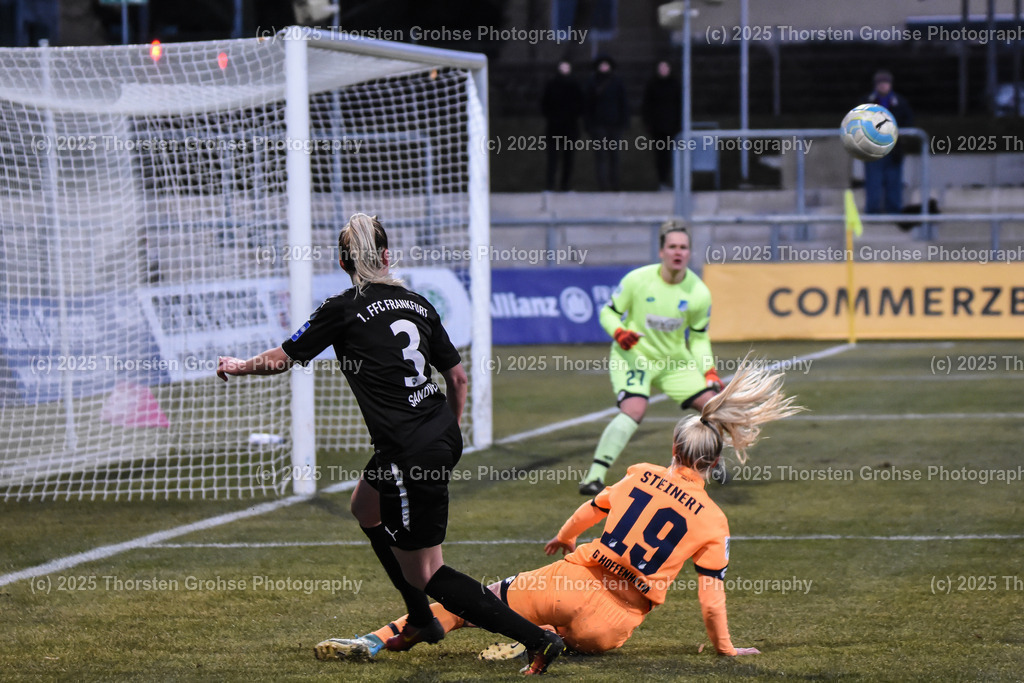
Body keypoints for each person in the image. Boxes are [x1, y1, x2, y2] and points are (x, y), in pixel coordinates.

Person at [216, 214, 564, 676]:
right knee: (365, 506)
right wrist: (452, 431)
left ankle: (537, 639)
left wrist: (239, 366)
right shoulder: (417, 303)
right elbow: (457, 377)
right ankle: (420, 620)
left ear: (343, 262)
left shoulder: (341, 308)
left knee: (428, 572)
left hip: (408, 450)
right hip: (434, 432)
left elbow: (283, 359)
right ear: (385, 257)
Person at [312, 358, 801, 662]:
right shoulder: (715, 520)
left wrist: (566, 538)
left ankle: (376, 639)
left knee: (471, 603)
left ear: (674, 447)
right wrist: (724, 647)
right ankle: (553, 637)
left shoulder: (639, 473)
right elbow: (711, 600)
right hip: (612, 627)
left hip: (568, 583)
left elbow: (590, 509)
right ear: (714, 461)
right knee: (576, 635)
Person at [579, 219, 722, 495]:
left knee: (715, 407)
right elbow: (608, 312)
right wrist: (620, 332)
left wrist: (710, 371)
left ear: (689, 252)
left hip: (674, 363)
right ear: (661, 252)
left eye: (683, 247)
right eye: (672, 247)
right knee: (633, 410)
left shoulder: (699, 293)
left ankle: (710, 466)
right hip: (635, 356)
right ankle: (593, 477)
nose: (678, 252)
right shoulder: (637, 280)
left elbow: (700, 338)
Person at [863, 69, 913, 215]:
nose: (884, 86)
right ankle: (872, 210)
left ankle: (894, 210)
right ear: (876, 85)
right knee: (874, 180)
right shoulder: (867, 100)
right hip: (873, 148)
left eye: (886, 83)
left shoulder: (900, 102)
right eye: (881, 83)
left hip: (894, 148)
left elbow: (908, 120)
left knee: (894, 180)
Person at [584, 54, 630, 191]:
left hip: (615, 125)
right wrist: (589, 124)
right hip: (598, 125)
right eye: (602, 65)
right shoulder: (592, 83)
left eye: (606, 64)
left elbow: (624, 103)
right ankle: (602, 185)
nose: (604, 67)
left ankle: (615, 184)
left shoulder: (617, 82)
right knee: (601, 156)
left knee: (614, 155)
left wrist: (623, 122)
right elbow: (587, 106)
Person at [540, 60, 585, 192]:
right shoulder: (552, 85)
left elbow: (581, 105)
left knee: (568, 160)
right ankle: (550, 186)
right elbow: (545, 104)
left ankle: (565, 186)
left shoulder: (575, 85)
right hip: (554, 128)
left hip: (569, 129)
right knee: (552, 160)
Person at [641, 60, 682, 190]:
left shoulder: (675, 84)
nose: (663, 70)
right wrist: (649, 123)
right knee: (660, 155)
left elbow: (679, 105)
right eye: (661, 68)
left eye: (665, 67)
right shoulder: (652, 85)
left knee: (673, 154)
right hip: (657, 127)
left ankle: (673, 180)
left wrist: (678, 124)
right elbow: (647, 105)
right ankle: (663, 181)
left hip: (672, 127)